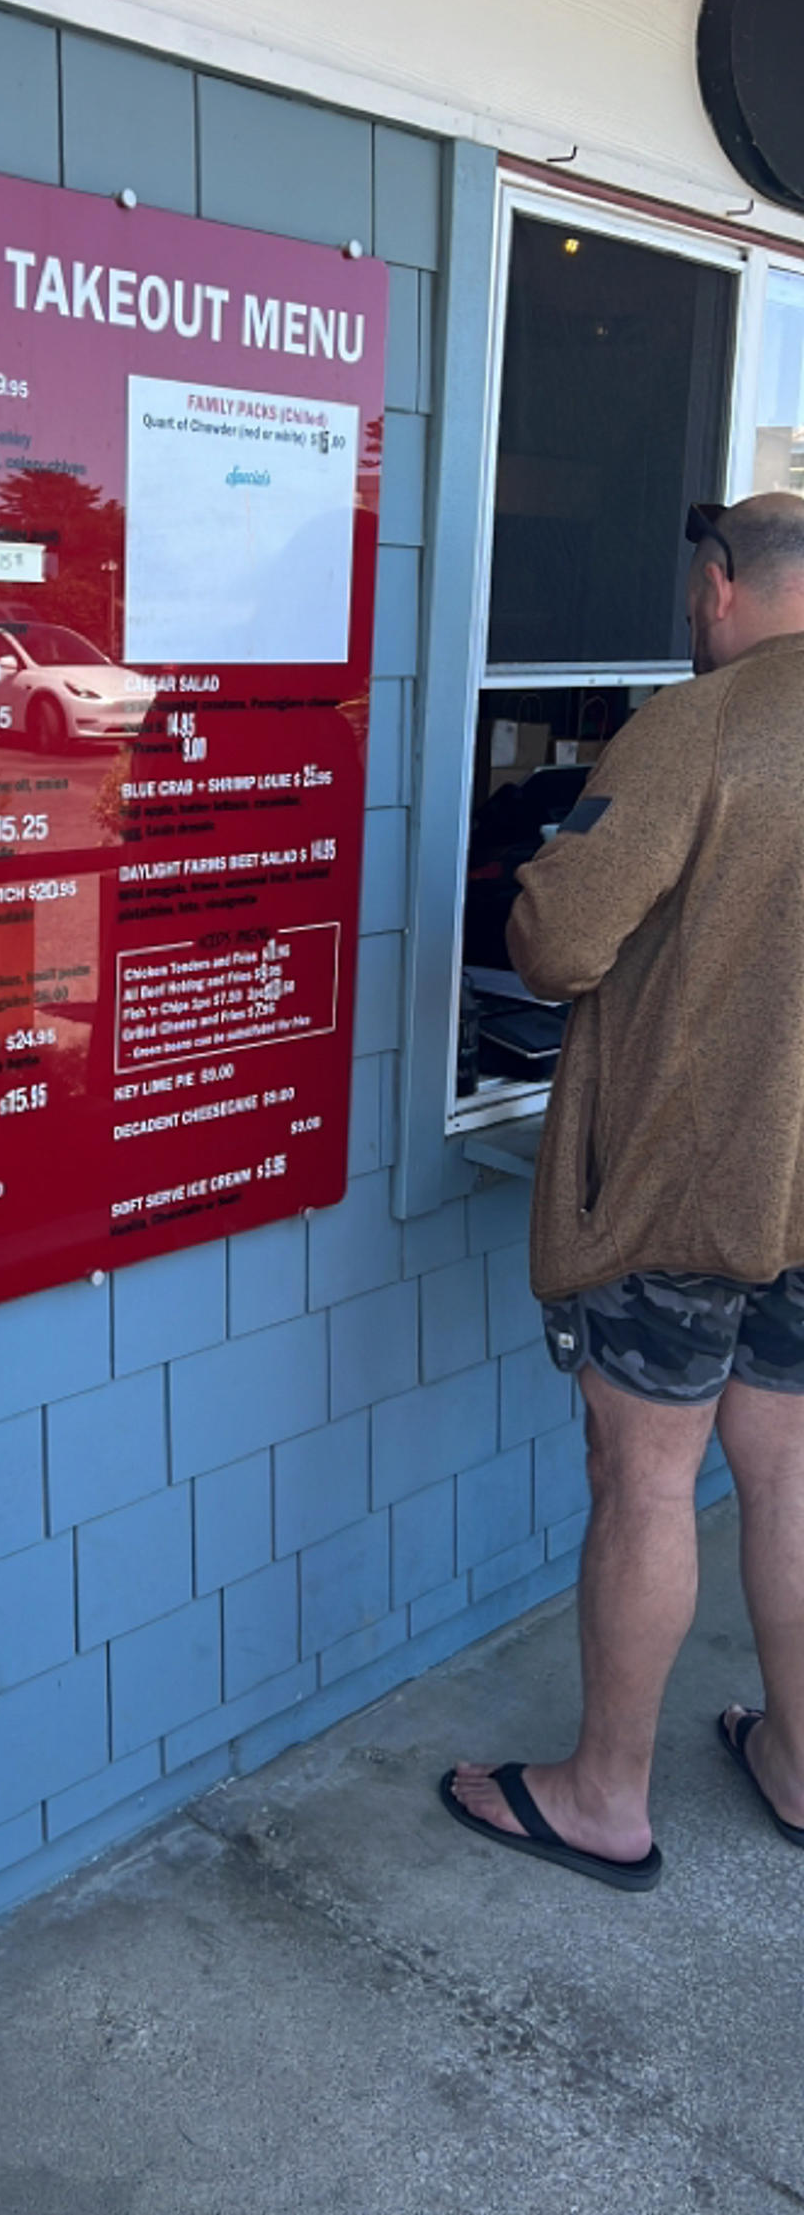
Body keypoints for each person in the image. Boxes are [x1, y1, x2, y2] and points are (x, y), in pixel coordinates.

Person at [441, 490, 804, 1888]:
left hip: (681, 1184)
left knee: (647, 1476)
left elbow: (557, 939)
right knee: (783, 1469)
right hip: (796, 1189)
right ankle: (791, 1757)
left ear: (715, 585)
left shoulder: (695, 728)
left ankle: (603, 1794)